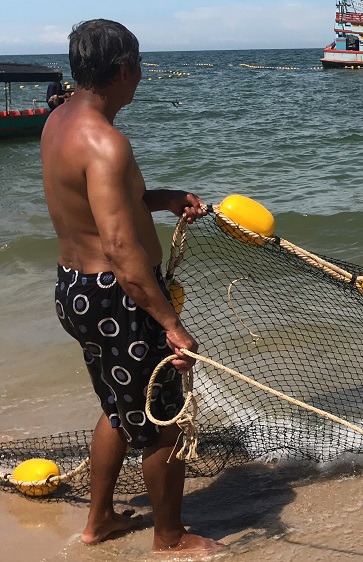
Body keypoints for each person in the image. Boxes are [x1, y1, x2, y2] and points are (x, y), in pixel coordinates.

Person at [40, 19, 222, 555]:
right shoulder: (106, 143)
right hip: (116, 298)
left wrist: (161, 197)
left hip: (74, 289)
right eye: (138, 67)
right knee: (163, 421)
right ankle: (169, 538)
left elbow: (95, 211)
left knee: (119, 408)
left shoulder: (59, 122)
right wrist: (171, 324)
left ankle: (99, 523)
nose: (141, 77)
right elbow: (122, 252)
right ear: (122, 71)